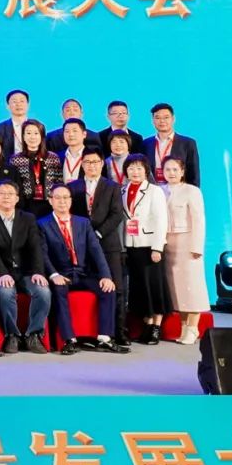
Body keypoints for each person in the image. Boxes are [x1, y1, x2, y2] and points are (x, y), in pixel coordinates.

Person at [39, 185, 124, 355]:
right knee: (59, 291)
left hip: (83, 273)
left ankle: (105, 338)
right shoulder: (42, 224)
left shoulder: (83, 223)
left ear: (71, 201)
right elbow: (42, 254)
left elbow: (96, 251)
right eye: (57, 198)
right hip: (61, 275)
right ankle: (69, 340)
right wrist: (54, 274)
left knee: (108, 289)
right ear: (50, 200)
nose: (62, 201)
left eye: (66, 197)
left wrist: (106, 276)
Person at [0, 180, 52, 354]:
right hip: (2, 271)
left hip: (26, 271)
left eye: (10, 194)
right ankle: (12, 335)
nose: (6, 197)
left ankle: (34, 334)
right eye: (2, 193)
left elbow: (35, 247)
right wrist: (2, 273)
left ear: (17, 198)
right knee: (5, 293)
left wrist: (38, 272)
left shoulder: (28, 218)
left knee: (43, 292)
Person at [68, 148, 130, 346]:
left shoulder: (112, 187)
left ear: (102, 164)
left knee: (116, 287)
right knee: (92, 285)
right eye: (87, 162)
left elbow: (117, 214)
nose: (91, 166)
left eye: (95, 162)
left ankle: (119, 333)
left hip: (108, 244)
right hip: (81, 246)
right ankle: (89, 332)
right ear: (82, 164)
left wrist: (98, 233)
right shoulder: (73, 187)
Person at [121, 154, 171, 345]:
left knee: (154, 286)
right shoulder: (122, 190)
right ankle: (147, 325)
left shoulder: (154, 191)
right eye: (131, 168)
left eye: (139, 168)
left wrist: (158, 247)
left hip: (150, 245)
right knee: (140, 287)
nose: (135, 172)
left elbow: (161, 220)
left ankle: (156, 327)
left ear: (146, 170)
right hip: (131, 245)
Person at [160, 156, 209, 345]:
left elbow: (199, 220)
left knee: (192, 287)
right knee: (176, 289)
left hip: (188, 242)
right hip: (168, 242)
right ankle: (183, 328)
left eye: (175, 169)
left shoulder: (192, 191)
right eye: (167, 169)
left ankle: (193, 327)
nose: (171, 173)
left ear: (182, 172)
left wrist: (197, 246)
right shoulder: (160, 190)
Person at [7, 119, 61, 217]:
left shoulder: (53, 158)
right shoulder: (15, 159)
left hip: (49, 205)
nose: (32, 137)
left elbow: (59, 183)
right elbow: (13, 185)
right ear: (23, 136)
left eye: (36, 133)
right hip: (25, 206)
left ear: (42, 136)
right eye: (28, 133)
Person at [143, 102, 200, 186]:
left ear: (173, 119)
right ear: (153, 121)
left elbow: (194, 174)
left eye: (166, 117)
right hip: (153, 191)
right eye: (157, 118)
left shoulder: (188, 143)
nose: (162, 121)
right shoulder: (146, 143)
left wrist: (193, 192)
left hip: (178, 191)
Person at [0, 89, 35, 156]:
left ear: (28, 105)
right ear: (8, 106)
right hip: (8, 162)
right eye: (14, 101)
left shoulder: (37, 126)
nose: (18, 104)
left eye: (22, 101)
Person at [57, 118, 88, 183]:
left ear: (84, 134)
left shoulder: (93, 156)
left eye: (75, 131)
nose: (71, 134)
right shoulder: (57, 157)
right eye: (67, 131)